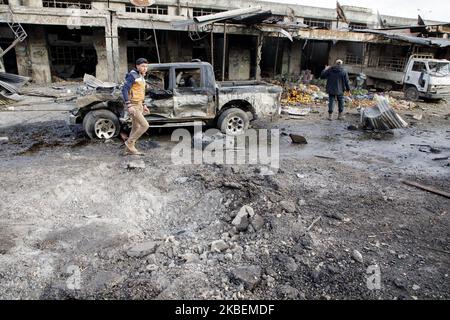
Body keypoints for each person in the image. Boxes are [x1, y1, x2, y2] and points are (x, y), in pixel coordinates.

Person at [121, 58, 150, 155]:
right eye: (143, 66)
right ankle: (129, 143)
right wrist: (129, 105)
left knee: (135, 127)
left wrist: (144, 104)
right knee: (145, 125)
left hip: (139, 104)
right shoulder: (132, 76)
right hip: (133, 105)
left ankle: (128, 150)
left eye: (146, 66)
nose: (145, 68)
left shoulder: (141, 76)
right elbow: (124, 90)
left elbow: (140, 92)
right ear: (137, 66)